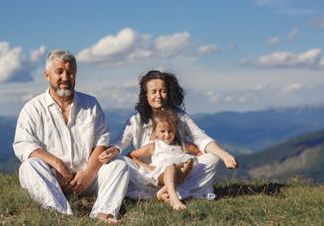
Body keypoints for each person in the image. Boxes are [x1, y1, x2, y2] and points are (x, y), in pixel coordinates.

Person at [13, 49, 129, 223]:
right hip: (53, 178)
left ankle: (103, 214)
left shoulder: (91, 104)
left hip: (87, 176)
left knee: (119, 164)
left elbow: (101, 141)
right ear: (47, 75)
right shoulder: (33, 108)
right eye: (59, 72)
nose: (66, 78)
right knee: (29, 167)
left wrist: (88, 173)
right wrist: (58, 164)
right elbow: (23, 144)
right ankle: (61, 214)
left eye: (71, 72)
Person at [99, 70, 238, 201]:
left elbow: (201, 140)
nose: (158, 96)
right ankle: (174, 193)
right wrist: (111, 152)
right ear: (146, 95)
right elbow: (120, 143)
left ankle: (171, 192)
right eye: (153, 92)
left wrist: (225, 156)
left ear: (169, 93)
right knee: (118, 161)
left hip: (178, 173)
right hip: (147, 176)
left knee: (212, 158)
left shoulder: (180, 118)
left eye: (162, 91)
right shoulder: (136, 120)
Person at [129, 108, 202, 210]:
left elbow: (199, 152)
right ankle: (174, 199)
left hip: (179, 173)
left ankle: (163, 192)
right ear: (155, 131)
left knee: (189, 160)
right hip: (160, 174)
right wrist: (148, 167)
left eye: (170, 131)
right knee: (170, 166)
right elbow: (132, 155)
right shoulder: (155, 146)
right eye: (162, 131)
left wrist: (193, 162)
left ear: (175, 130)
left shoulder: (182, 146)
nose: (167, 135)